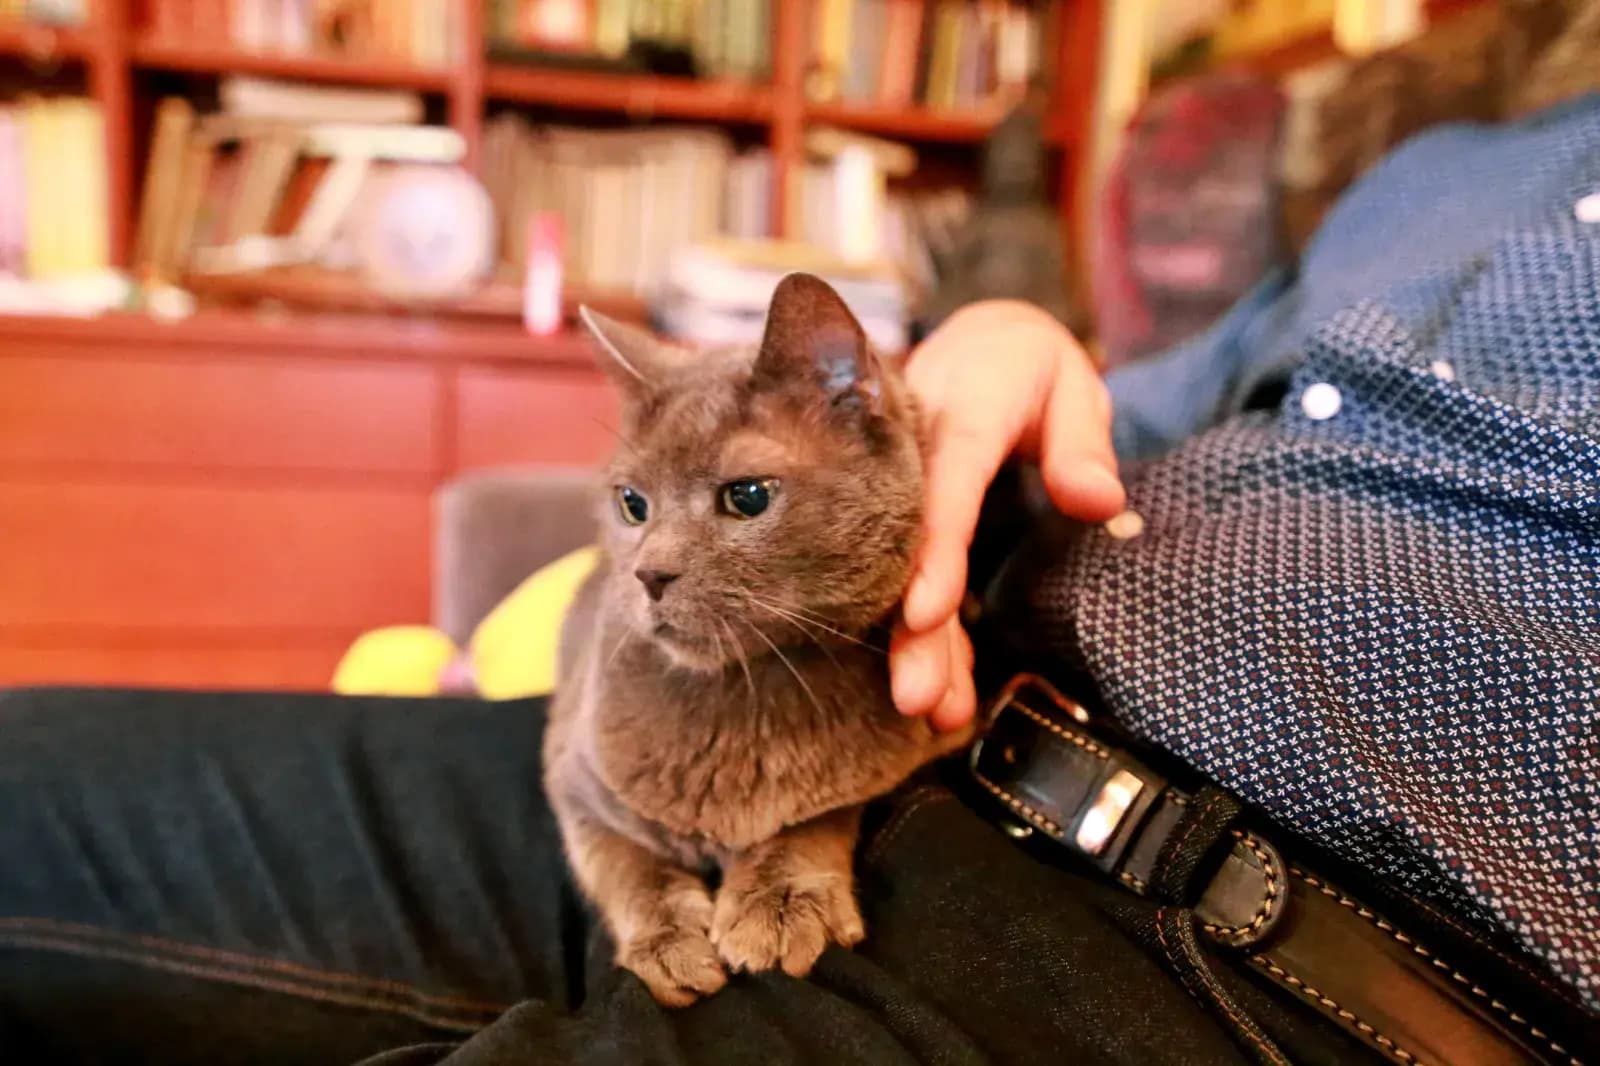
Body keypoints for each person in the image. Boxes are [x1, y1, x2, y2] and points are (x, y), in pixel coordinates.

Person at [4, 95, 1599, 1064]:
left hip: (1263, 942)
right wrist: (1028, 357)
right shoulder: (1451, 169)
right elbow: (1154, 407)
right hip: (876, 703)